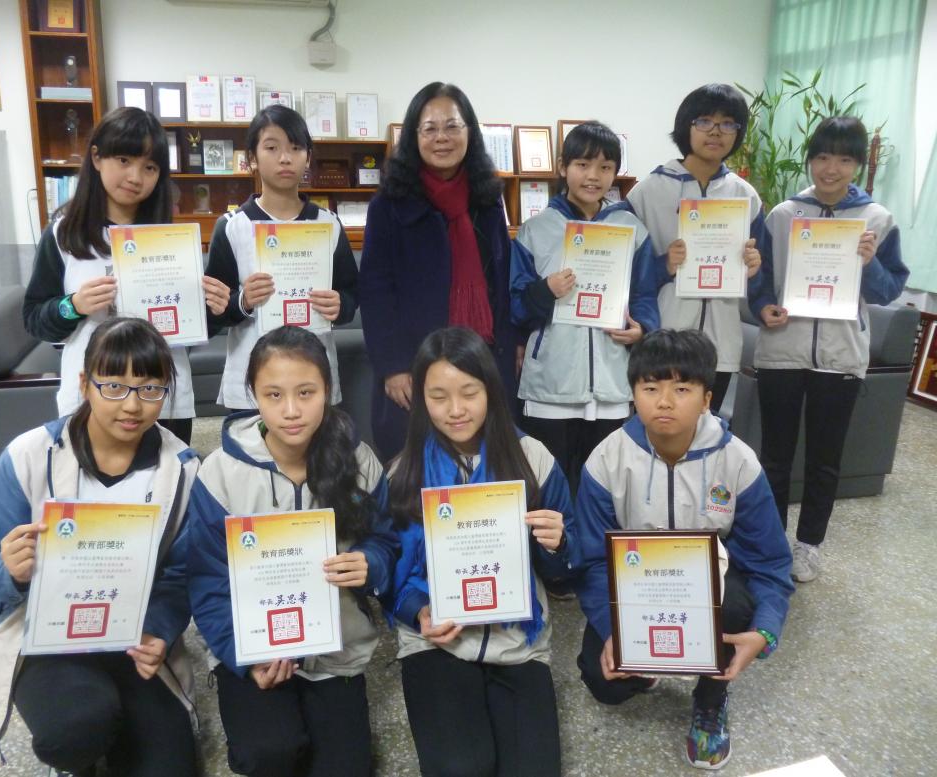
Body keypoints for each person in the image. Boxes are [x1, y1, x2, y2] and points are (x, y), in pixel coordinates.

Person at [0, 317, 200, 776]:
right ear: (85, 384)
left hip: (133, 635)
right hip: (47, 640)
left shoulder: (182, 469)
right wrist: (9, 572)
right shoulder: (29, 456)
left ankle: (115, 727)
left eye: (150, 389)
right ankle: (82, 750)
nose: (132, 405)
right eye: (114, 386)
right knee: (74, 730)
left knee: (172, 767)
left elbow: (182, 572)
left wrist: (159, 629)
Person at [573, 328, 793, 770]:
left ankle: (710, 700)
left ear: (707, 398)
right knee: (603, 680)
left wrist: (766, 631)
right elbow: (592, 561)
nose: (665, 402)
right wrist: (612, 630)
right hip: (637, 587)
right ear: (633, 393)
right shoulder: (606, 460)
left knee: (737, 607)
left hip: (710, 585)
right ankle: (649, 666)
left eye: (682, 389)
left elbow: (769, 563)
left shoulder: (738, 462)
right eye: (650, 388)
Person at [187, 326, 398, 777]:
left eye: (306, 393)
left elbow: (385, 540)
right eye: (274, 394)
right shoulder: (219, 474)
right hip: (253, 644)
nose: (291, 411)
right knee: (269, 753)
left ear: (328, 390)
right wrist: (244, 658)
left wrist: (372, 564)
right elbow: (207, 581)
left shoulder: (359, 460)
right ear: (253, 395)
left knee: (347, 769)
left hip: (337, 646)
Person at [386, 327, 577, 777]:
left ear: (490, 389)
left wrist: (559, 543)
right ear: (421, 399)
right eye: (438, 397)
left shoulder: (533, 458)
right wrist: (418, 611)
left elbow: (565, 569)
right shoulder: (403, 471)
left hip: (518, 641)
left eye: (469, 393)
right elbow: (388, 567)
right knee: (460, 768)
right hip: (436, 641)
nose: (456, 410)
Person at [751, 116, 909, 582]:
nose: (831, 169)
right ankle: (772, 543)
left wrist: (869, 263)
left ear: (857, 164)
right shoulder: (783, 215)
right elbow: (760, 281)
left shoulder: (876, 219)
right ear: (810, 160)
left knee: (824, 460)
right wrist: (762, 308)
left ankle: (809, 546)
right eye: (822, 157)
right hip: (781, 350)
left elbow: (887, 291)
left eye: (843, 159)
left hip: (841, 356)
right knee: (774, 457)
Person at [22, 106, 230, 444]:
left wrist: (214, 308)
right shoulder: (64, 235)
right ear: (96, 157)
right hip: (93, 397)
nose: (135, 177)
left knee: (166, 475)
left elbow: (192, 327)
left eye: (149, 167)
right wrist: (73, 305)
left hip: (163, 396)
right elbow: (34, 318)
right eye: (124, 160)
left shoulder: (170, 240)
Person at [360, 82, 520, 462]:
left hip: (483, 357)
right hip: (416, 362)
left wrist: (513, 340)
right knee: (417, 465)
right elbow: (376, 291)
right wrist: (393, 366)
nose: (441, 138)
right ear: (414, 137)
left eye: (452, 126)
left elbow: (502, 278)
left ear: (470, 132)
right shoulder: (389, 205)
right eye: (429, 128)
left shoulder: (487, 200)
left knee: (486, 460)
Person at [511, 121, 660, 494]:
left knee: (604, 485)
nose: (593, 176)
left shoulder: (631, 229)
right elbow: (515, 306)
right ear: (563, 167)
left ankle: (594, 537)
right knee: (550, 485)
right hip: (551, 387)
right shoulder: (536, 230)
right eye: (582, 164)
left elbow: (645, 295)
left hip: (612, 383)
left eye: (605, 167)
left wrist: (642, 328)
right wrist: (545, 291)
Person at [204, 104, 359, 412]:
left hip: (312, 376)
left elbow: (351, 293)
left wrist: (340, 305)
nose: (285, 158)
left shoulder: (328, 224)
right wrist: (243, 301)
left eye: (296, 148)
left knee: (316, 443)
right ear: (252, 158)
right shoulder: (232, 226)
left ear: (308, 158)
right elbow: (214, 312)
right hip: (252, 378)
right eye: (272, 148)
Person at [624, 84, 766, 414]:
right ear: (686, 126)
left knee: (707, 429)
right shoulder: (647, 192)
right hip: (663, 337)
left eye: (728, 124)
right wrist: (664, 266)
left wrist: (754, 269)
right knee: (657, 425)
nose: (716, 132)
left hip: (721, 342)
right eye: (704, 121)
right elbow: (624, 275)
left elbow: (761, 282)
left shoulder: (746, 196)